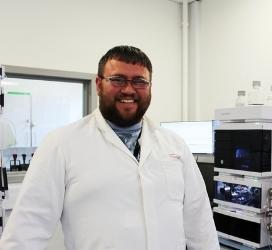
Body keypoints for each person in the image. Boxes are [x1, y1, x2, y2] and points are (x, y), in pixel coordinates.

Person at [0, 46, 220, 250]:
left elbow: (199, 223)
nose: (128, 89)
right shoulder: (61, 144)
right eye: (118, 80)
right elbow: (26, 232)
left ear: (150, 87)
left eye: (140, 81)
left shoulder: (175, 145)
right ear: (98, 84)